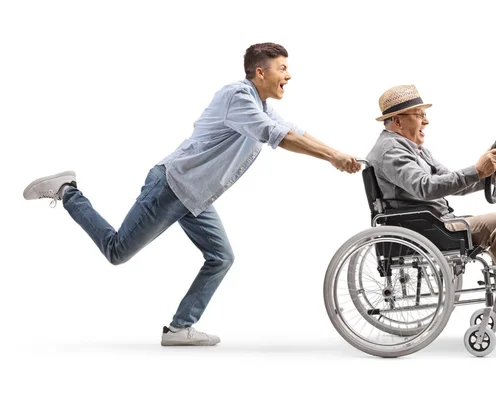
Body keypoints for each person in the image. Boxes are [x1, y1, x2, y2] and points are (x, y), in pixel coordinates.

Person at [23, 43, 361, 346]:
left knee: (221, 257)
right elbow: (276, 136)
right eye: (283, 68)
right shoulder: (238, 97)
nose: (289, 74)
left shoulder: (260, 103)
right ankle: (68, 191)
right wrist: (333, 158)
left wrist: (337, 153)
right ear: (261, 72)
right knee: (117, 252)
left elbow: (294, 131)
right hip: (171, 187)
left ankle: (180, 328)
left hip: (195, 197)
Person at [366, 85, 496, 325]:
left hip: (433, 223)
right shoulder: (391, 151)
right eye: (420, 115)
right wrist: (476, 170)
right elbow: (427, 187)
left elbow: (450, 182)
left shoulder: (414, 149)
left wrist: (490, 174)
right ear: (397, 121)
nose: (427, 121)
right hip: (422, 228)